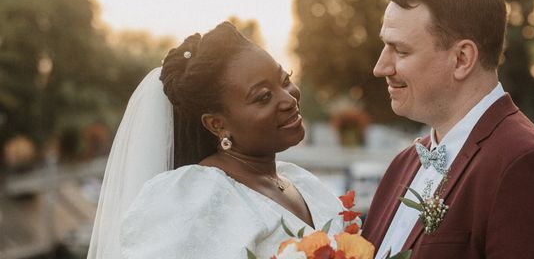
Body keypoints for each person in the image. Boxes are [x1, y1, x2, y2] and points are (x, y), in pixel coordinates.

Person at [362, 0, 534, 258]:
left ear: (462, 58)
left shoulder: (526, 167)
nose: (380, 68)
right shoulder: (403, 165)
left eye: (401, 51)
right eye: (385, 47)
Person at [88, 22, 345, 258]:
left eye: (285, 80)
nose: (289, 100)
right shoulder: (195, 202)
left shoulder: (304, 184)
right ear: (217, 124)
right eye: (263, 97)